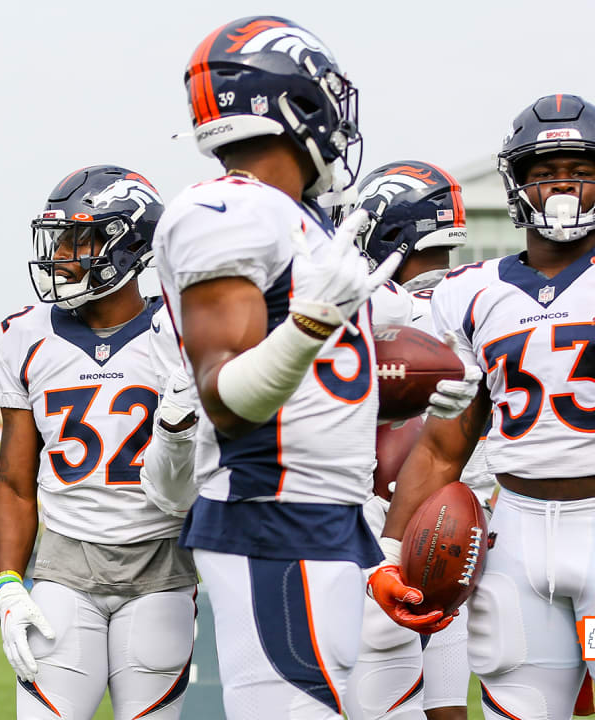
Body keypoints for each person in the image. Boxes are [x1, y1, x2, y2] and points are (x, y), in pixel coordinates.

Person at [371, 95, 595, 720]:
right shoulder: (470, 292)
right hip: (517, 532)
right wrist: (389, 551)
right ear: (517, 184)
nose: (562, 185)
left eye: (580, 170)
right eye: (543, 172)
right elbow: (441, 446)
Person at [152, 15, 456, 718]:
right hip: (268, 525)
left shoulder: (302, 221)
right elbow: (226, 399)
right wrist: (313, 323)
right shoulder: (225, 208)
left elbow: (317, 430)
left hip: (319, 525)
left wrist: (365, 555)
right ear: (297, 103)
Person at [0, 166, 198, 720]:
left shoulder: (180, 334)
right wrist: (8, 582)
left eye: (79, 239)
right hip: (62, 564)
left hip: (161, 561)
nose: (61, 254)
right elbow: (13, 481)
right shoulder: (22, 334)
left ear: (127, 246)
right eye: (59, 239)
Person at [345, 160, 484, 720]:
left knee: (378, 693)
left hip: (382, 527)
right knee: (448, 706)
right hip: (465, 527)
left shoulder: (373, 310)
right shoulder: (481, 300)